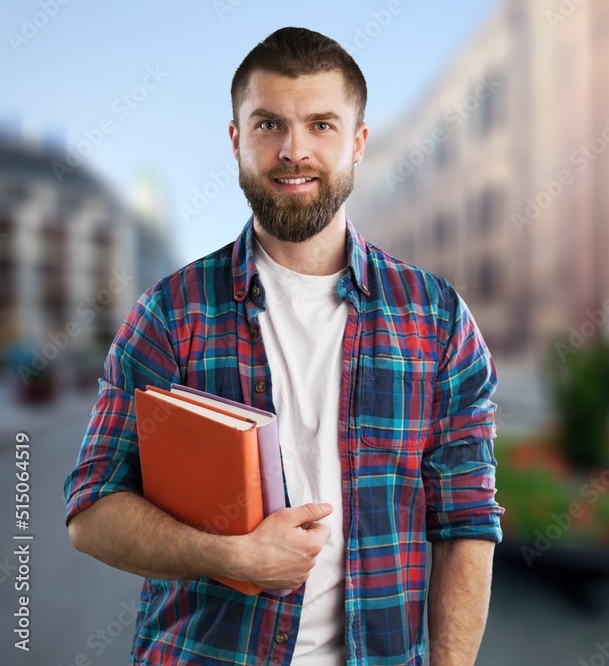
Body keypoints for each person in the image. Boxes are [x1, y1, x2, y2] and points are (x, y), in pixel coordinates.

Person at [63, 26, 504, 666]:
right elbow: (92, 510)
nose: (293, 151)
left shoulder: (435, 318)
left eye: (321, 125)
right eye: (269, 125)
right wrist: (228, 556)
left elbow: (467, 523)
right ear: (238, 140)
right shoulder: (170, 313)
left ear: (357, 143)